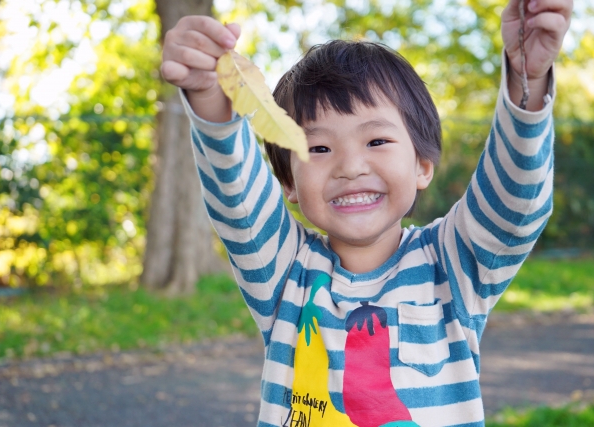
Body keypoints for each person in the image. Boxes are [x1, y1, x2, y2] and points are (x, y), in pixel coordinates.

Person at [161, 0, 571, 425]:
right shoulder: (285, 274)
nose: (350, 167)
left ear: (422, 166)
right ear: (289, 184)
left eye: (376, 141)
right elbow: (236, 195)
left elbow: (514, 204)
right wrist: (210, 93)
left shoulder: (451, 264)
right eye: (318, 148)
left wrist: (528, 81)